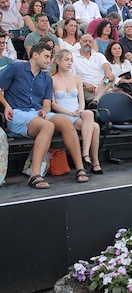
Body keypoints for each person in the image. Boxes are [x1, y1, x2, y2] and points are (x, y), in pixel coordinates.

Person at [0, 43, 89, 188]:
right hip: (16, 113)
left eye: (50, 57)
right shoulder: (16, 67)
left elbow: (47, 104)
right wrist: (6, 105)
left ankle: (80, 168)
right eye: (46, 57)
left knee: (65, 121)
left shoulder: (46, 78)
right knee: (48, 126)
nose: (49, 61)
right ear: (35, 55)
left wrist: (44, 111)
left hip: (36, 113)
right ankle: (35, 175)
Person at [51, 50, 102, 174]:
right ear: (58, 61)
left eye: (71, 60)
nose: (69, 63)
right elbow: (53, 104)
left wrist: (80, 109)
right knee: (95, 127)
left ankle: (85, 153)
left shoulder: (77, 78)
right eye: (66, 60)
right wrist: (69, 113)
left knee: (89, 113)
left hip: (77, 112)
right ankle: (95, 162)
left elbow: (81, 100)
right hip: (63, 115)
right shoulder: (51, 79)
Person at [71, 33, 115, 106]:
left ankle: (96, 100)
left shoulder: (99, 56)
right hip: (86, 88)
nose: (87, 43)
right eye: (85, 41)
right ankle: (98, 99)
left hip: (103, 84)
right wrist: (84, 83)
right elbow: (71, 77)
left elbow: (105, 65)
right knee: (108, 96)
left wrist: (108, 71)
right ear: (80, 42)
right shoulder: (73, 57)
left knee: (110, 78)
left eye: (90, 42)